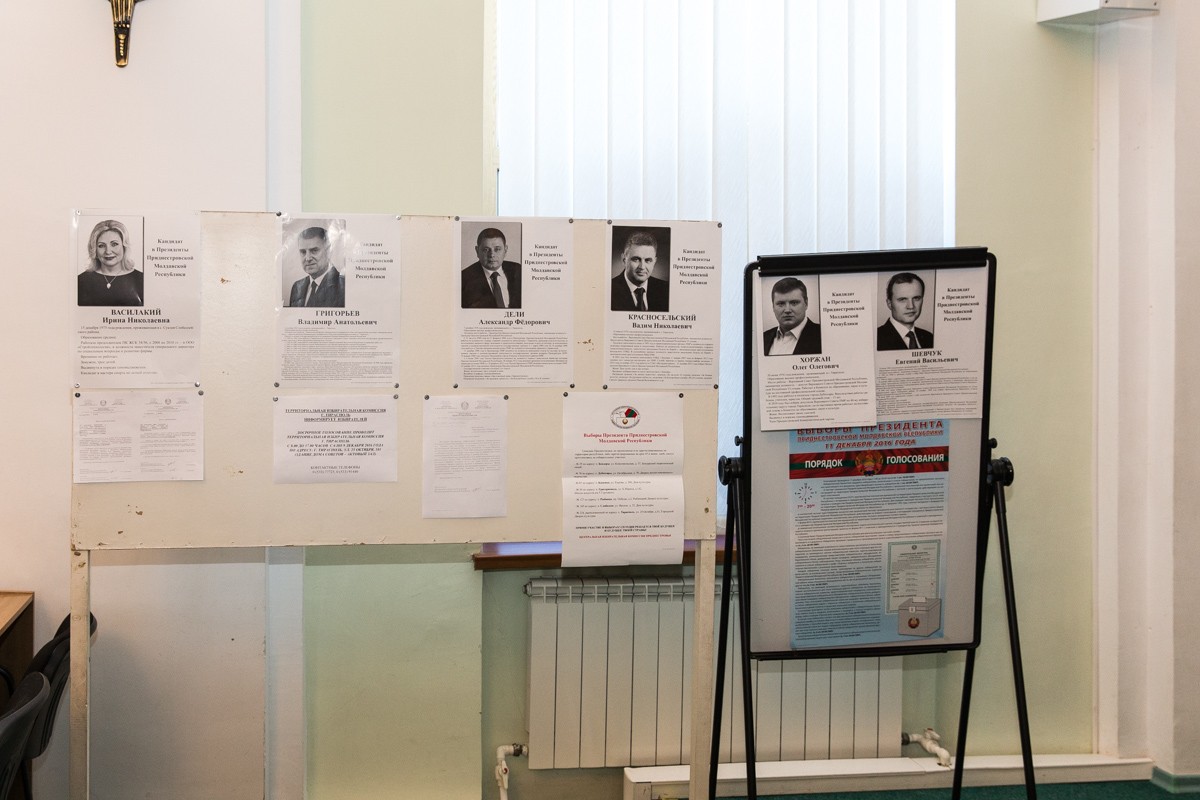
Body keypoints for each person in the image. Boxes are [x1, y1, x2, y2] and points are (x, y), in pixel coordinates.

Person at [78, 219, 144, 306]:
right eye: (101, 246)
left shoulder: (142, 280)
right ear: (94, 249)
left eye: (114, 244)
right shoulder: (80, 281)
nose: (108, 251)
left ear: (124, 246)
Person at [461, 227, 521, 309]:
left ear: (505, 250)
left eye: (497, 249)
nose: (492, 255)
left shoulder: (518, 270)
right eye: (486, 250)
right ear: (477, 251)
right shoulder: (463, 279)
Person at [611, 230, 669, 311]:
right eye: (636, 259)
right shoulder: (610, 289)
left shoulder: (666, 289)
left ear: (654, 262)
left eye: (648, 260)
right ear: (624, 260)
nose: (642, 267)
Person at [287, 226, 345, 308]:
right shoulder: (297, 287)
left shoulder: (344, 287)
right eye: (303, 252)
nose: (308, 258)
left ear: (329, 251)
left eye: (314, 251)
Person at [762, 276, 821, 355]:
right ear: (773, 306)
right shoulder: (763, 338)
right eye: (781, 304)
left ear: (806, 303)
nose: (787, 310)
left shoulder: (822, 335)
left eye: (794, 303)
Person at [877, 272, 933, 350]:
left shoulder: (929, 337)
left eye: (916, 298)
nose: (911, 306)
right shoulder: (876, 338)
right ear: (889, 303)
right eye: (902, 299)